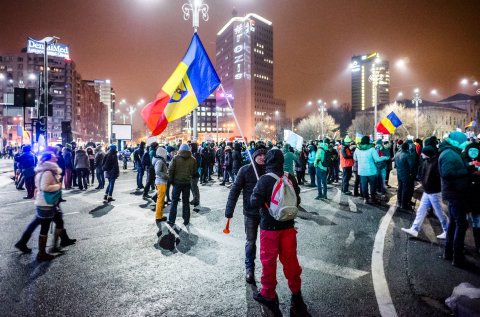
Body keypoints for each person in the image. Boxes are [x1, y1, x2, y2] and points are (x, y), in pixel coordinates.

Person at [250, 149, 309, 316]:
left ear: (268, 161)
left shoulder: (264, 180)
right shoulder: (290, 177)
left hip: (270, 228)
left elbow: (254, 202)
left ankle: (268, 293)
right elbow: (297, 199)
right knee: (291, 260)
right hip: (289, 226)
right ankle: (296, 293)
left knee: (268, 261)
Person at [225, 146, 267, 284]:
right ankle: (249, 269)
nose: (262, 157)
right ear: (254, 156)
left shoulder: (269, 171)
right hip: (250, 213)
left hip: (267, 213)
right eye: (259, 155)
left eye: (264, 155)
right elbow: (235, 190)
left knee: (267, 244)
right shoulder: (245, 170)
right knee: (251, 242)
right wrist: (229, 210)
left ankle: (267, 272)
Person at [16, 151, 62, 261]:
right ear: (48, 160)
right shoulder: (47, 172)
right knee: (45, 227)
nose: (56, 159)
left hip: (44, 202)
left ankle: (23, 243)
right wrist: (58, 186)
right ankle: (42, 253)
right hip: (46, 203)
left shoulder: (43, 170)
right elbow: (45, 187)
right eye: (53, 157)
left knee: (43, 222)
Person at [439, 132, 475, 268]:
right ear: (456, 141)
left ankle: (449, 253)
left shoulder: (452, 152)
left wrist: (468, 167)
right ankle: (457, 257)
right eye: (463, 141)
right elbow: (447, 173)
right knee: (461, 224)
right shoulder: (449, 154)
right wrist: (467, 172)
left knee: (454, 223)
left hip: (455, 193)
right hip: (455, 194)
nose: (464, 144)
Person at [401, 145, 448, 239]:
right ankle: (414, 229)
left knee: (439, 213)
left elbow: (439, 177)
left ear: (427, 154)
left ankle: (448, 231)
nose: (421, 154)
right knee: (421, 210)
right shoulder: (427, 161)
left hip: (434, 191)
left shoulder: (436, 163)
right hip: (427, 191)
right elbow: (423, 174)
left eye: (423, 153)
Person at [353, 136, 389, 204]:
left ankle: (365, 198)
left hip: (362, 171)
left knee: (364, 185)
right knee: (373, 185)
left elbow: (355, 158)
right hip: (371, 171)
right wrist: (384, 157)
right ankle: (373, 198)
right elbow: (377, 159)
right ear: (368, 141)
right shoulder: (372, 149)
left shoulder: (357, 149)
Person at [167, 144, 197, 226]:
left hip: (177, 183)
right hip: (187, 183)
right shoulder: (193, 159)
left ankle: (172, 220)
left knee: (174, 201)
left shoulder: (176, 158)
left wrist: (171, 181)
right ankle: (186, 219)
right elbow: (194, 171)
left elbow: (170, 170)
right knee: (186, 201)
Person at [395, 142, 415, 210]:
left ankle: (399, 202)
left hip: (399, 173)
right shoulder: (407, 155)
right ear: (407, 148)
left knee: (400, 188)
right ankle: (404, 204)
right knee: (405, 189)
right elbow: (411, 165)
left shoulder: (397, 154)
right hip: (406, 173)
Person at [153, 146, 169, 223]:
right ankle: (158, 216)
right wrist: (166, 176)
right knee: (160, 200)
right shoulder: (160, 161)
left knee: (160, 200)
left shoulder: (159, 160)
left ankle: (159, 215)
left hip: (160, 182)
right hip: (161, 182)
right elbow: (158, 172)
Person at [190, 142, 201, 207]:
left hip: (194, 174)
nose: (190, 148)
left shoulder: (196, 154)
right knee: (192, 187)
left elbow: (197, 164)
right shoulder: (193, 154)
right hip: (192, 173)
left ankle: (196, 199)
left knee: (194, 187)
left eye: (191, 146)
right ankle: (195, 198)